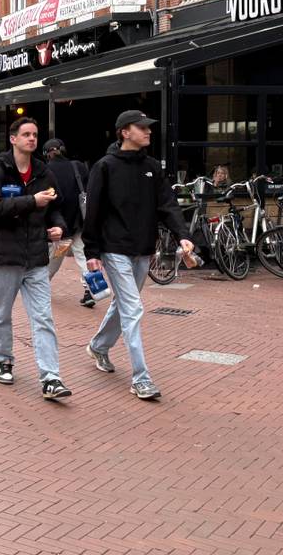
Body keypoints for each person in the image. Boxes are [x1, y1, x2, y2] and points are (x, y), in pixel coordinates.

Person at [82, 110, 194, 401]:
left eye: (148, 127)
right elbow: (93, 210)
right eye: (141, 127)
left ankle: (98, 346)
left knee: (122, 305)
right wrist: (91, 250)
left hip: (144, 250)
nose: (148, 131)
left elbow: (167, 203)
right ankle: (141, 378)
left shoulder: (152, 167)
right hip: (114, 249)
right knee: (133, 308)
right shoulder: (104, 167)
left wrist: (183, 235)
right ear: (124, 132)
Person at [0, 117, 71, 400]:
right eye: (26, 134)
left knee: (43, 316)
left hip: (35, 257)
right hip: (5, 255)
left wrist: (59, 226)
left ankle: (51, 377)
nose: (32, 139)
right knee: (2, 313)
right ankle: (4, 359)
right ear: (13, 139)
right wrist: (32, 201)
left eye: (35, 134)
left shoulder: (44, 172)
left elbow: (54, 207)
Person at [42, 138, 94, 308]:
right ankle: (92, 290)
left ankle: (40, 290)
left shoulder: (46, 170)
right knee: (84, 257)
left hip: (61, 226)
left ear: (47, 153)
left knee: (53, 260)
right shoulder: (77, 166)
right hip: (80, 221)